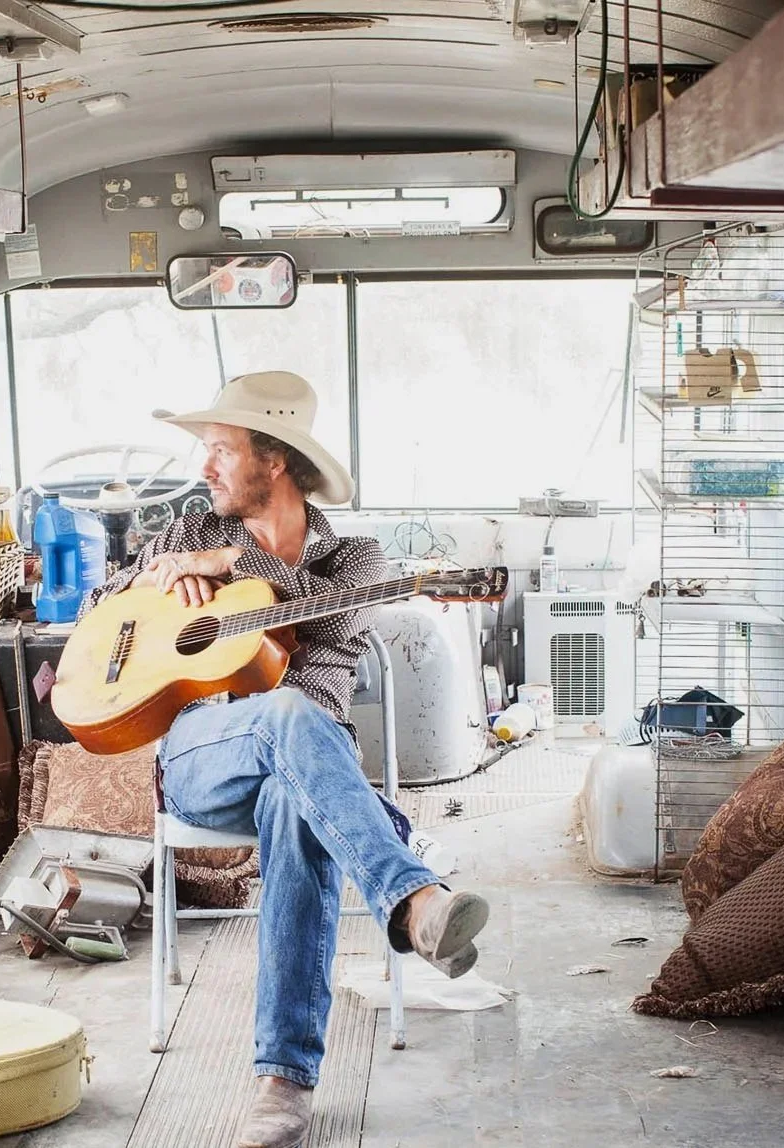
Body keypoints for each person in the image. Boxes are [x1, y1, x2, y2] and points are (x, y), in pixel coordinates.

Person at [81, 371, 489, 1148]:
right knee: (290, 721)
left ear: (273, 460)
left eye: (219, 450)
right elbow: (95, 615)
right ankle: (411, 897)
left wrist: (239, 568)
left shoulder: (356, 560)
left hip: (306, 773)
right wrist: (155, 584)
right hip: (204, 758)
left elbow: (306, 608)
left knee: (295, 784)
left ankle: (281, 1085)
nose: (203, 468)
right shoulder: (185, 533)